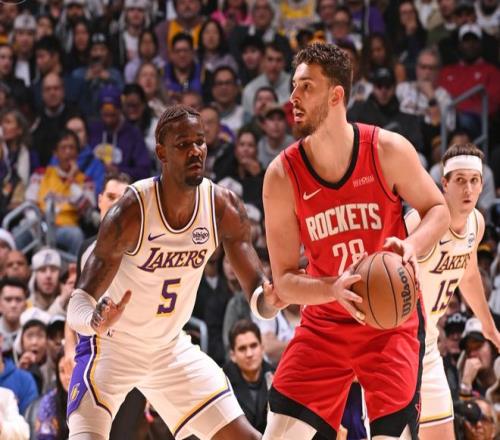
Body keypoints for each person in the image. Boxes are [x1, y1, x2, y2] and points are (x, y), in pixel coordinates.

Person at [262, 42, 449, 439]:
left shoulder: (387, 150)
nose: (293, 97)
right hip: (324, 325)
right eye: (293, 86)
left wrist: (411, 246)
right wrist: (332, 288)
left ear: (336, 95)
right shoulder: (281, 175)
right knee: (277, 433)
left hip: (390, 323)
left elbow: (438, 209)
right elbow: (284, 280)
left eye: (306, 87)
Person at [66, 104, 284, 439]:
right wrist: (96, 320)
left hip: (169, 349)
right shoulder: (131, 211)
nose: (195, 150)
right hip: (112, 347)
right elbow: (77, 303)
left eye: (200, 141)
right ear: (161, 152)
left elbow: (259, 297)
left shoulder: (222, 207)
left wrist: (270, 301)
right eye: (183, 144)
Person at [404, 142, 500, 439]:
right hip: (396, 346)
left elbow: (468, 276)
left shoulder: (476, 223)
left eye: (474, 181)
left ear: (482, 185)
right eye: (459, 180)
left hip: (429, 346)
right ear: (444, 184)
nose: (468, 189)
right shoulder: (419, 220)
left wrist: (489, 326)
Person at [224, 320, 274, 434]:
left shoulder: (276, 376)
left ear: (262, 348)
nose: (249, 354)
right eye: (242, 348)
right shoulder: (222, 382)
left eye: (253, 346)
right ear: (233, 355)